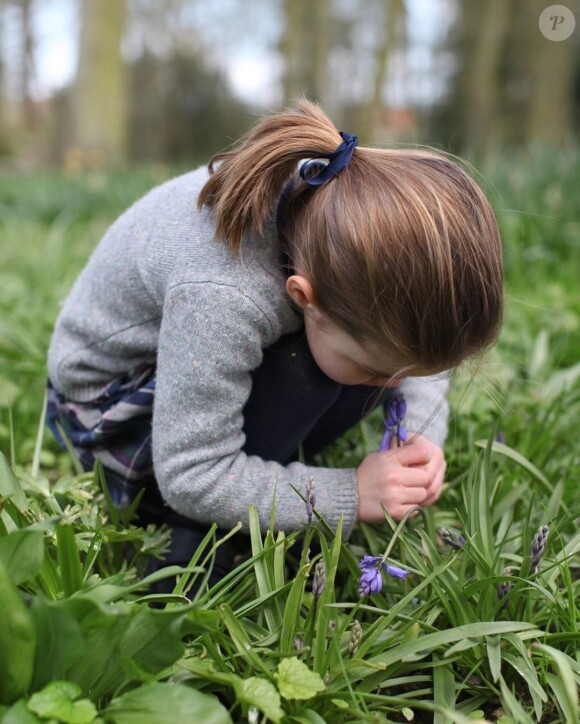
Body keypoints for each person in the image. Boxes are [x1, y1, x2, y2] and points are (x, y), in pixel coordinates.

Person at [46, 99, 503, 587]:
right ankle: (193, 546)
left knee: (344, 369)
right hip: (108, 414)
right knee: (307, 373)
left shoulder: (345, 241)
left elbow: (419, 357)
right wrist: (351, 493)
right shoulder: (226, 294)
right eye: (381, 370)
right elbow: (192, 473)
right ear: (304, 297)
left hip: (201, 360)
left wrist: (416, 437)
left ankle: (270, 468)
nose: (391, 388)